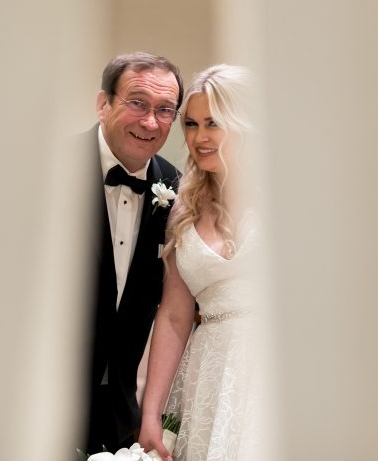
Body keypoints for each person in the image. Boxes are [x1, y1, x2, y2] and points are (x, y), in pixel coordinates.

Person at [138, 64, 260, 461]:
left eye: (214, 123)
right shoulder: (183, 209)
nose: (199, 137)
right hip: (209, 373)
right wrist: (151, 414)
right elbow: (174, 315)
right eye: (191, 124)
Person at [83, 52, 184, 454]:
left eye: (165, 110)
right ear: (102, 103)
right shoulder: (50, 169)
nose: (150, 122)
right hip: (43, 398)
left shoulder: (176, 188)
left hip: (123, 412)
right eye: (137, 102)